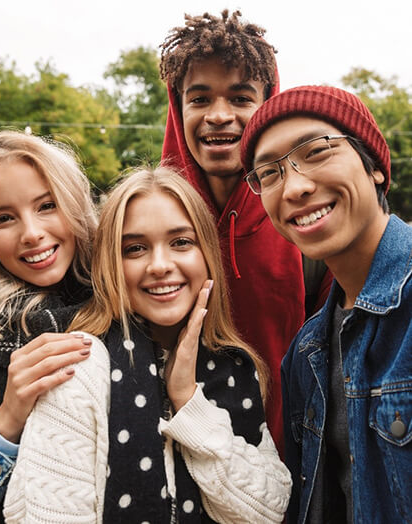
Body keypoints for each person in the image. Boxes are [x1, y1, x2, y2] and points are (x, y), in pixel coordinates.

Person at [3, 166, 292, 523]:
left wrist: (188, 402)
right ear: (111, 264)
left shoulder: (232, 367)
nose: (159, 265)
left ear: (207, 255)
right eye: (135, 248)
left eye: (181, 242)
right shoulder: (78, 365)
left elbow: (268, 510)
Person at [159, 10, 331, 453]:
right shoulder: (146, 221)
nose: (219, 116)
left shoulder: (305, 221)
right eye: (199, 99)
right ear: (178, 112)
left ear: (266, 107)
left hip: (289, 463)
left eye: (240, 98)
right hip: (171, 461)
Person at [241, 85, 411, 523]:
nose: (294, 187)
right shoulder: (305, 353)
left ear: (373, 166)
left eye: (316, 151)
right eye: (269, 174)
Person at [0, 130, 98, 522]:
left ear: (74, 205)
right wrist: (5, 421)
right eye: (3, 218)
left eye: (47, 206)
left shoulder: (122, 310)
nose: (31, 233)